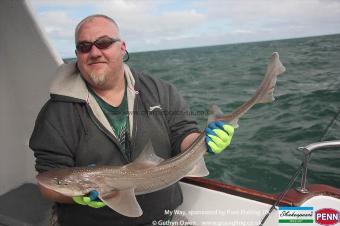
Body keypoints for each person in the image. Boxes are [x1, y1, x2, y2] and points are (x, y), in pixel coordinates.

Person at [29, 14, 234, 226]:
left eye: (104, 43)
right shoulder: (56, 113)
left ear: (122, 47)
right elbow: (47, 183)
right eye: (84, 46)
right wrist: (75, 196)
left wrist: (204, 143)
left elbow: (183, 133)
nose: (94, 52)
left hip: (162, 217)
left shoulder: (160, 91)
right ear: (76, 55)